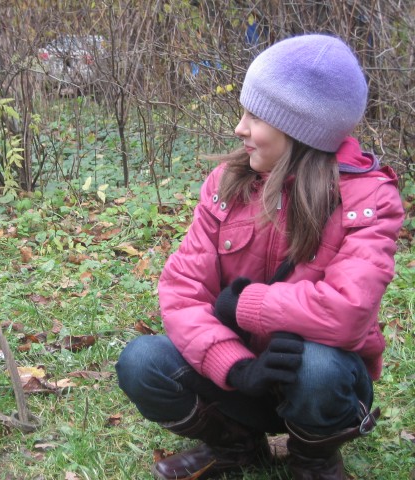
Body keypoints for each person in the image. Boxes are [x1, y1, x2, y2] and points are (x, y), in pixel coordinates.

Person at [116, 33, 405, 480]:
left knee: (319, 367)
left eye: (255, 116)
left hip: (321, 384)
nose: (240, 128)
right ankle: (236, 446)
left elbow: (348, 312)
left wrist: (247, 305)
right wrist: (236, 366)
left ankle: (314, 459)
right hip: (243, 377)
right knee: (142, 362)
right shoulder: (227, 184)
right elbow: (181, 291)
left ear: (299, 128)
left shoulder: (370, 200)